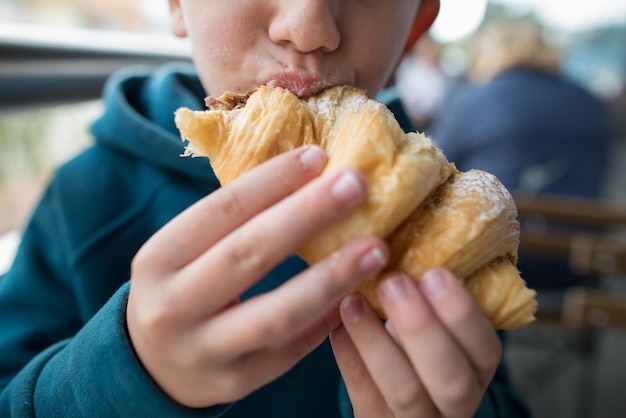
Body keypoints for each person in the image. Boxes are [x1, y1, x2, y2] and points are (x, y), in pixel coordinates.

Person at [0, 2, 530, 417]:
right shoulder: (85, 197)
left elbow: (493, 391)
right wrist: (124, 376)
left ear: (415, 25)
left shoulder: (436, 222)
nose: (309, 28)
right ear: (177, 3)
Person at [429, 18, 611, 291]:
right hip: (579, 261)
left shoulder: (473, 100)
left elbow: (437, 170)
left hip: (493, 259)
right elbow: (601, 170)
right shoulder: (589, 100)